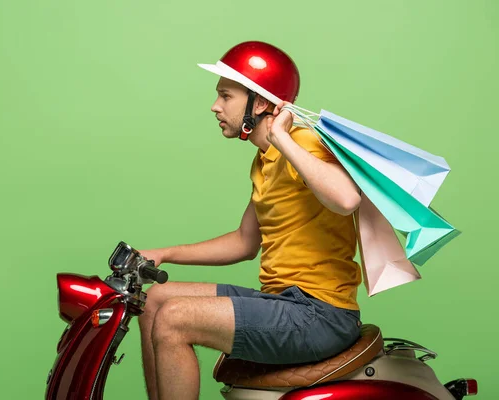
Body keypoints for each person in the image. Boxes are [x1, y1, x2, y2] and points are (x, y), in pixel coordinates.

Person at [138, 41, 363, 400]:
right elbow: (245, 241)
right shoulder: (263, 161)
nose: (215, 106)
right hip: (284, 304)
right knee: (155, 300)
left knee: (174, 318)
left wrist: (282, 138)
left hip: (319, 315)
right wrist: (163, 253)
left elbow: (346, 199)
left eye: (226, 96)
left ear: (259, 103)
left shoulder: (301, 143)